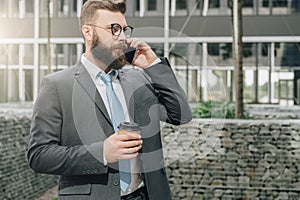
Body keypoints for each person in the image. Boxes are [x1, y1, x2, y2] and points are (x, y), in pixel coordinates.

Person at [27, 0, 192, 199]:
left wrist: (153, 65)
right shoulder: (56, 85)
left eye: (124, 29)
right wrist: (102, 153)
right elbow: (39, 156)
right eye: (114, 29)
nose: (122, 37)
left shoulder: (138, 78)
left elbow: (181, 115)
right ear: (88, 32)